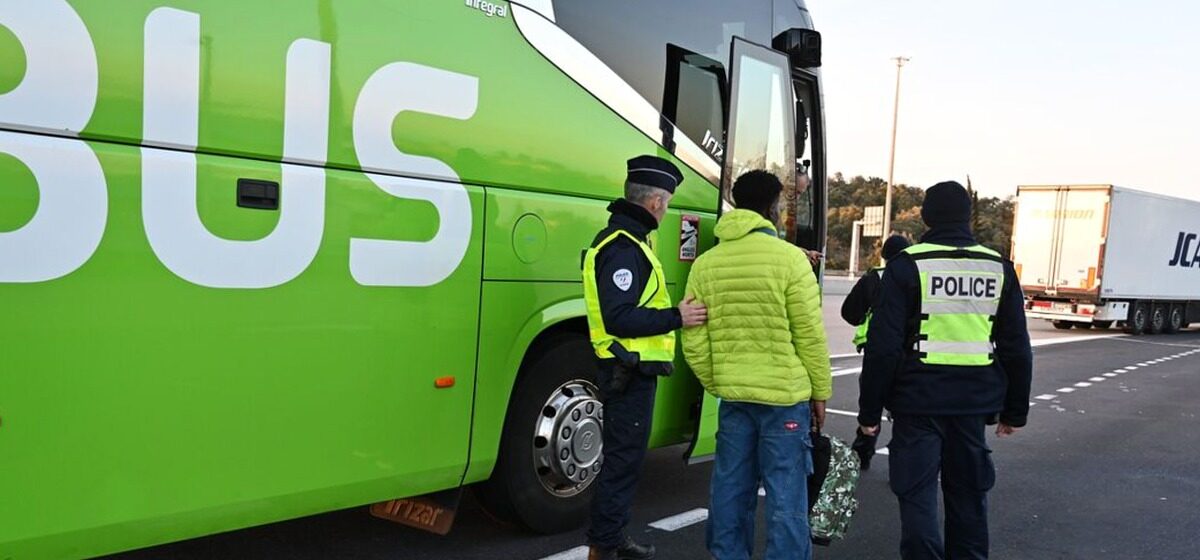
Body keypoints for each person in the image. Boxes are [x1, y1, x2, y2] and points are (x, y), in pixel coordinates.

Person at [857, 181, 1033, 560]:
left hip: (917, 405)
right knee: (969, 501)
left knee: (917, 498)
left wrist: (870, 414)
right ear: (968, 218)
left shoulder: (908, 265)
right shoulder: (998, 266)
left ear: (924, 216)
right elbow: (1016, 346)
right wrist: (1015, 410)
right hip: (973, 406)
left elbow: (882, 348)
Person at [681, 170, 833, 560]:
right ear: (772, 207)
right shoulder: (790, 260)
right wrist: (820, 391)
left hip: (734, 395)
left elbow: (693, 335)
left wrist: (717, 381)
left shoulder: (706, 263)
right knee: (786, 495)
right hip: (784, 399)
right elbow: (809, 335)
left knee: (730, 488)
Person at [582, 155, 708, 560]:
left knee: (625, 460)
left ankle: (611, 536)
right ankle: (605, 545)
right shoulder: (623, 248)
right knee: (621, 462)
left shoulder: (628, 242)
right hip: (627, 372)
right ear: (655, 202)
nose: (666, 210)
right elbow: (619, 316)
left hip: (631, 369)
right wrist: (678, 317)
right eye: (667, 203)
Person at [841, 234, 910, 470]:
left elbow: (849, 312)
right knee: (904, 408)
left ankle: (863, 452)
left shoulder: (874, 278)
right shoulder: (917, 278)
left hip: (877, 349)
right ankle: (903, 459)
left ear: (884, 256)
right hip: (911, 353)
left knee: (872, 397)